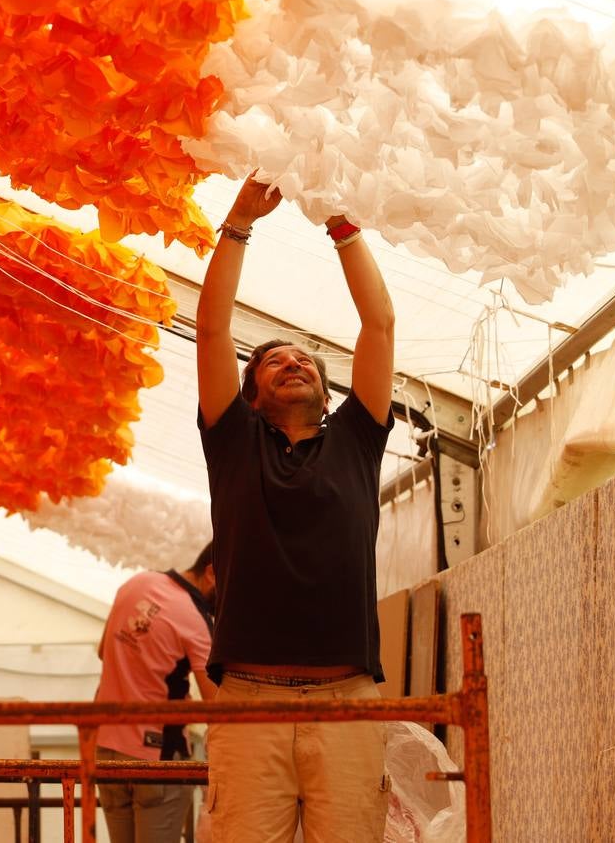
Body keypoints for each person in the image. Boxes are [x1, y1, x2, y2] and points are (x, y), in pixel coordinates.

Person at [194, 176, 396, 843]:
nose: (294, 362)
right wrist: (238, 223)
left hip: (348, 698)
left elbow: (380, 323)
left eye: (306, 359)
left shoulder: (358, 439)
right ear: (252, 395)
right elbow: (213, 327)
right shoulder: (233, 442)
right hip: (248, 702)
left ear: (327, 389)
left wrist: (343, 227)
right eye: (274, 361)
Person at [94, 543, 218, 843]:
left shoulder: (137, 583)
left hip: (105, 747)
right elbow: (217, 705)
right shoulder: (196, 620)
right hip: (157, 756)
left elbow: (103, 652)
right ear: (212, 573)